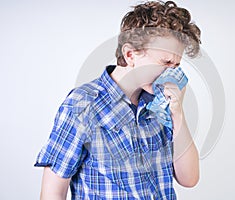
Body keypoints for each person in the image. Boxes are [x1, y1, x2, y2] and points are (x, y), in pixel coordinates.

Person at [34, 1, 202, 199]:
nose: (172, 72)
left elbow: (189, 179)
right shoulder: (83, 104)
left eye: (176, 65)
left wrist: (177, 113)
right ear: (130, 54)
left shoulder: (161, 105)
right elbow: (53, 192)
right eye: (165, 62)